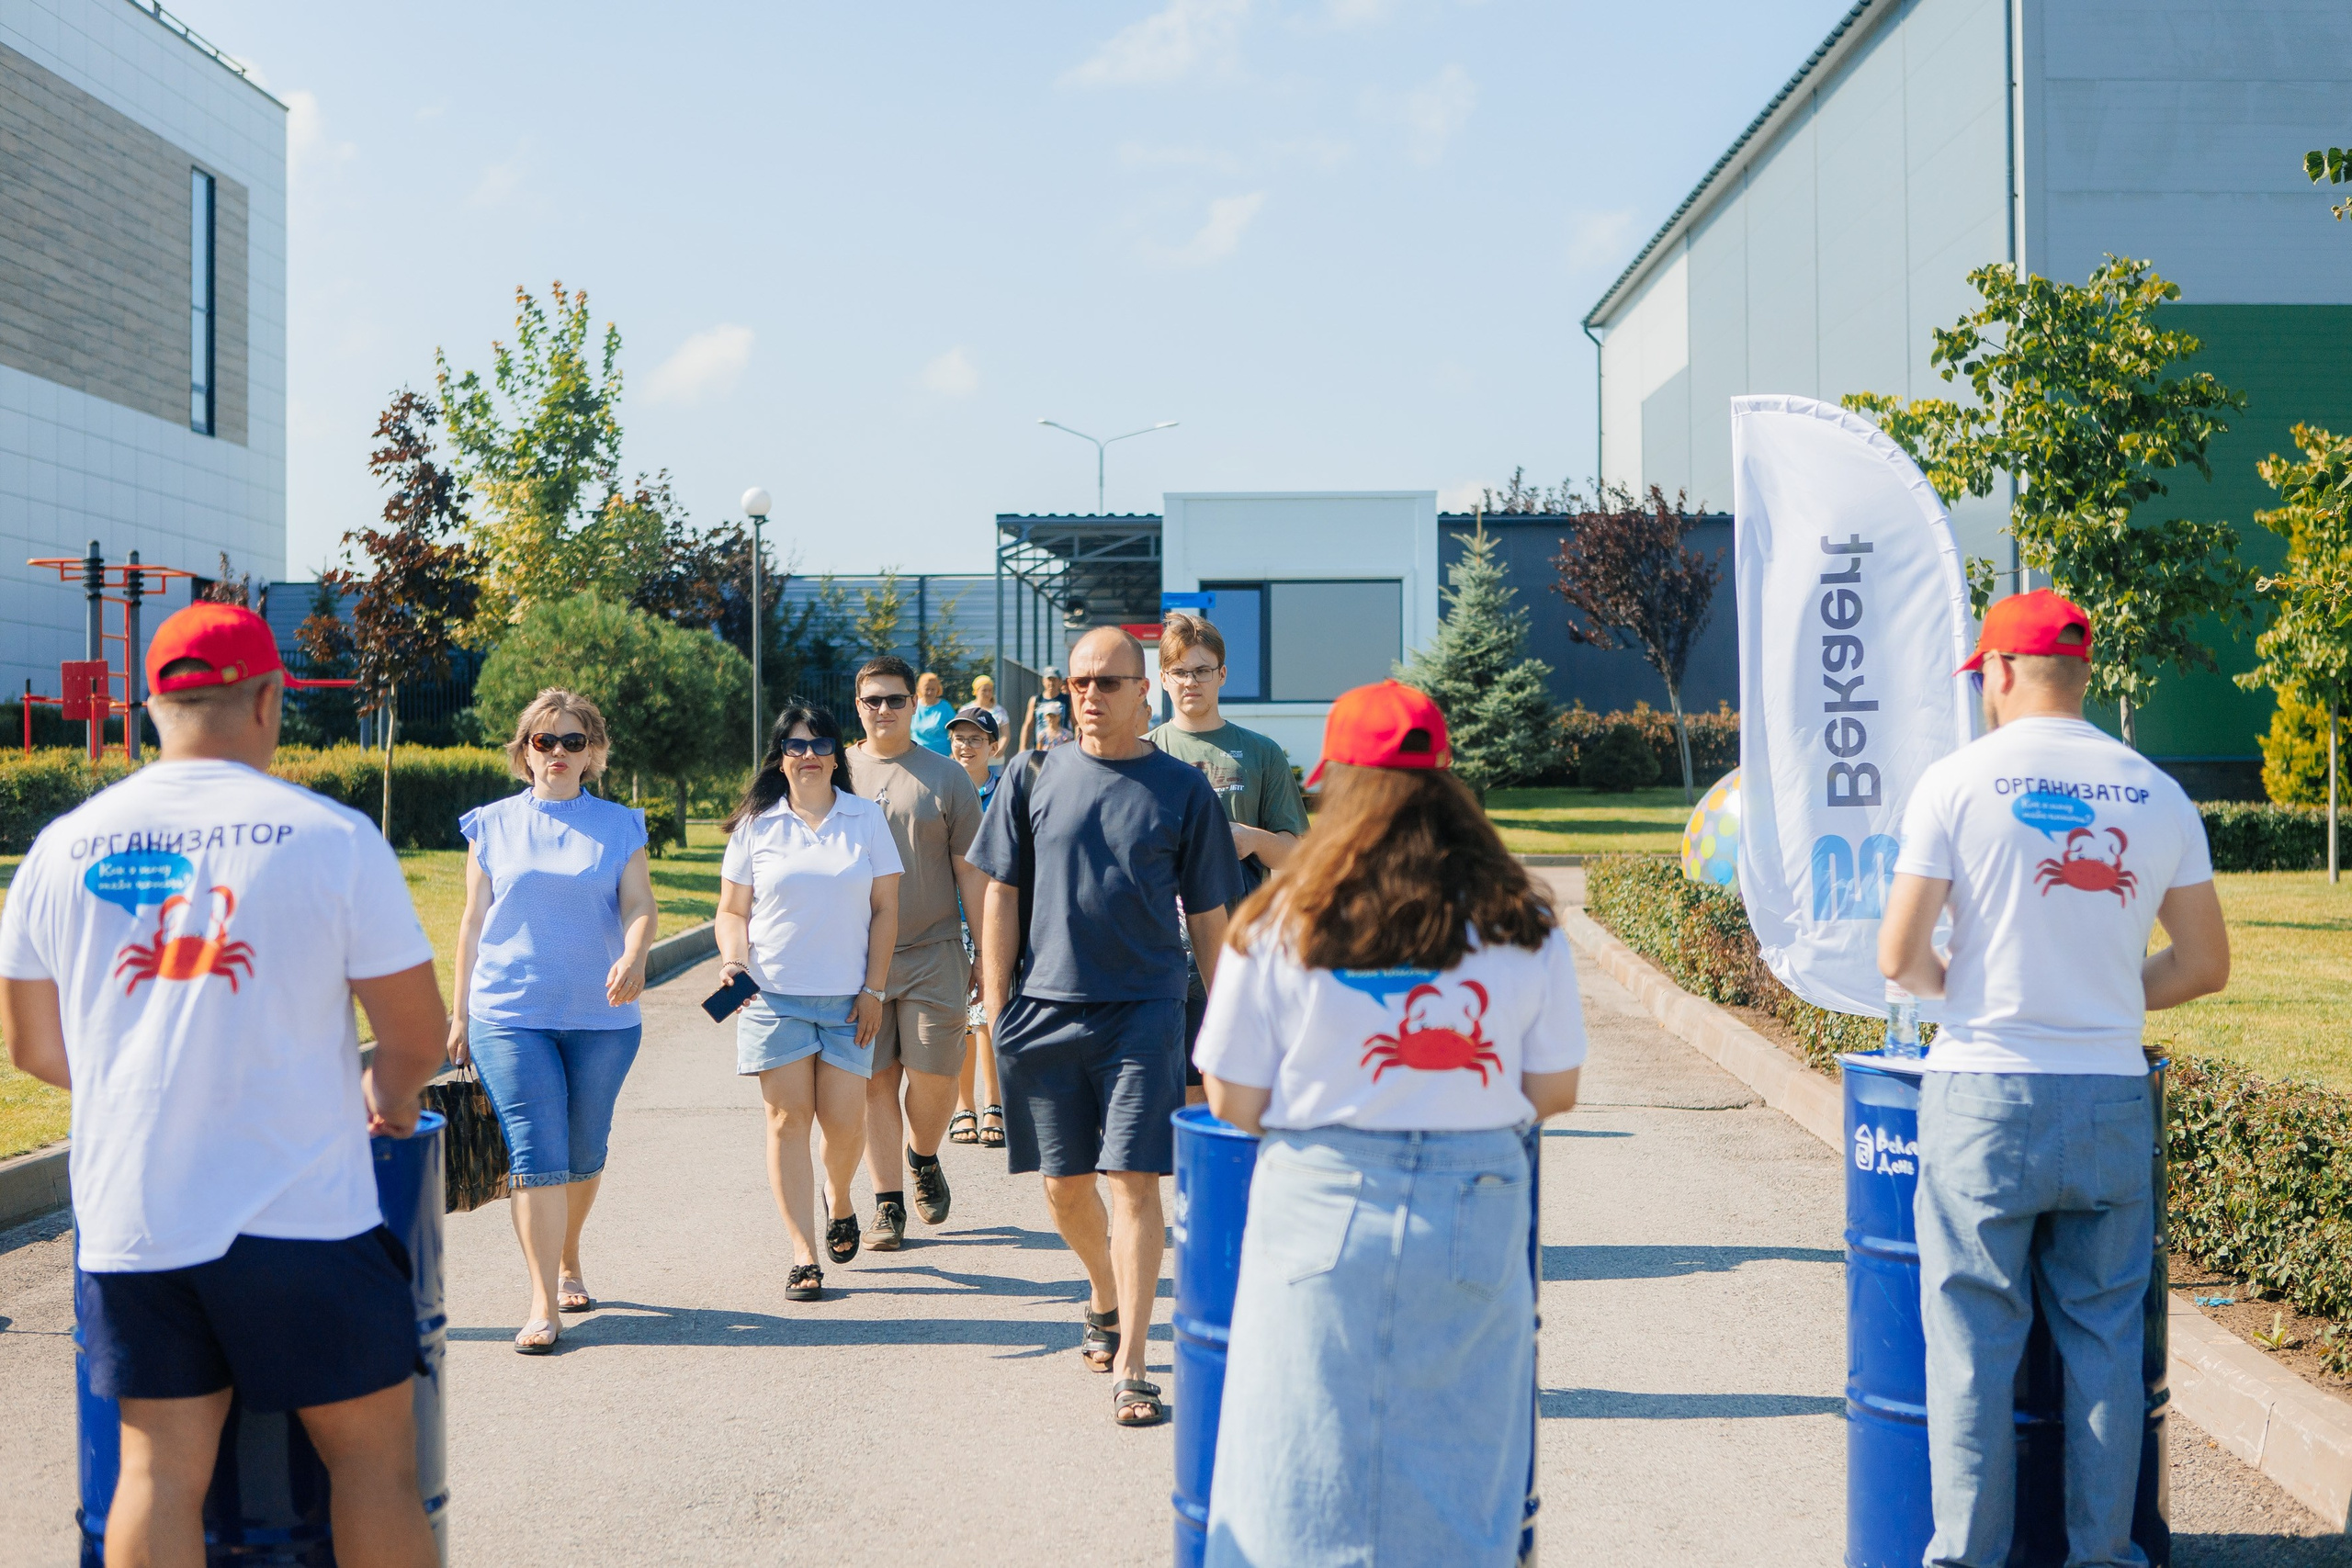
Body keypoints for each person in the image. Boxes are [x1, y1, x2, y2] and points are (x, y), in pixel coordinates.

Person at [0, 602, 445, 1568]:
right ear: (269, 700)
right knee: (373, 1466)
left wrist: (141, 1082)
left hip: (137, 1214)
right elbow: (417, 1034)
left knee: (157, 1471)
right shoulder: (331, 837)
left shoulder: (61, 848)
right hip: (305, 1212)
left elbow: (32, 1047)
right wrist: (391, 1097)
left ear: (150, 708)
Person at [1197, 678, 1586, 1566]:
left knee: (1297, 1450)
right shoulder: (1522, 918)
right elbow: (1555, 1086)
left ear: (1336, 785)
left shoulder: (1281, 918)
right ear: (1444, 783)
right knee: (1463, 1454)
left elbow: (1231, 1098)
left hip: (1319, 1198)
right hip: (1478, 1200)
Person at [1878, 590, 2230, 1568]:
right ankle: (2103, 1557)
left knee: (1969, 1345)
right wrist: (2106, 997)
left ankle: (1967, 1558)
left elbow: (1898, 955)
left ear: (1997, 671)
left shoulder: (1954, 784)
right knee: (2106, 1339)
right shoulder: (2156, 793)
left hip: (1981, 1096)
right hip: (2109, 1094)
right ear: (2082, 674)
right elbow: (2205, 963)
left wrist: (1967, 992)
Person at [970, 626, 1243, 1427]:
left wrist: (1226, 1025)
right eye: (1079, 682)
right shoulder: (1030, 773)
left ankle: (1133, 1362)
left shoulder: (1182, 789)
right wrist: (996, 1005)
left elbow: (1212, 919)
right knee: (1064, 1187)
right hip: (1045, 1008)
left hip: (1145, 1011)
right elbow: (1000, 893)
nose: (1089, 694)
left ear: (1141, 693)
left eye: (1108, 682)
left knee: (1132, 1180)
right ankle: (1103, 1288)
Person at [448, 689, 659, 1353]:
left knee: (583, 1151)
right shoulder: (491, 825)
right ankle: (543, 1300)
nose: (559, 752)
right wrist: (459, 1012)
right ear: (525, 751)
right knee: (537, 1153)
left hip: (603, 1018)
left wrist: (634, 954)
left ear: (593, 752)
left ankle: (569, 1254)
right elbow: (473, 923)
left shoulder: (620, 826)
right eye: (545, 741)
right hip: (509, 1014)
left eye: (574, 741)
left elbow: (640, 904)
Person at [716, 705, 902, 1303]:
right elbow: (732, 910)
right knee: (787, 1120)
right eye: (795, 746)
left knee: (845, 1124)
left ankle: (839, 1197)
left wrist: (874, 990)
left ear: (835, 755)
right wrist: (733, 960)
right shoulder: (756, 825)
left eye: (820, 744)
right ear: (780, 758)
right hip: (774, 998)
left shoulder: (865, 818)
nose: (809, 755)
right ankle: (803, 1254)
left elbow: (885, 910)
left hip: (850, 1001)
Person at [843, 657, 989, 1251]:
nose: (884, 709)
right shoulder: (835, 771)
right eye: (873, 700)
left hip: (934, 949)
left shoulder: (946, 777)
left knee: (935, 1075)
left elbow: (971, 872)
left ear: (914, 704)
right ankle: (888, 1204)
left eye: (895, 699)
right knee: (875, 1081)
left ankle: (923, 1155)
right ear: (858, 705)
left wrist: (985, 952)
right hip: (857, 958)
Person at [1148, 612, 1312, 1103]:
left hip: (1243, 945)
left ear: (1222, 674)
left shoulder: (1260, 753)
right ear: (1163, 678)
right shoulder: (1144, 753)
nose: (1191, 682)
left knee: (1230, 1081)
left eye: (1202, 670)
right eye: (1180, 671)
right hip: (1160, 948)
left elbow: (1300, 857)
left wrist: (1251, 838)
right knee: (1171, 1083)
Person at [944, 705, 1006, 1148]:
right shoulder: (942, 786)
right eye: (960, 739)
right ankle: (962, 1105)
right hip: (948, 917)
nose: (966, 747)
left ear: (993, 747)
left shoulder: (1005, 791)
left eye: (976, 740)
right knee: (960, 1017)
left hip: (993, 915)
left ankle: (994, 1104)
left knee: (989, 1014)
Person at [1020, 664, 1070, 750]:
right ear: (1043, 681)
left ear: (1059, 682)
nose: (1051, 683)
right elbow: (1028, 725)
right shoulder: (1036, 700)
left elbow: (1075, 723)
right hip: (1041, 747)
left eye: (1054, 680)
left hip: (1062, 747)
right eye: (1049, 680)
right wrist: (1022, 748)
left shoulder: (1067, 700)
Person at [910, 671, 956, 757]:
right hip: (917, 754)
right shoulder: (913, 706)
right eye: (927, 689)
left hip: (942, 755)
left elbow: (955, 730)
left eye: (933, 689)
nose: (930, 692)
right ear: (919, 688)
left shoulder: (945, 707)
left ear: (938, 689)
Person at [969, 674, 1012, 759]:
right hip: (972, 756)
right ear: (976, 691)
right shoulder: (967, 709)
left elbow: (1006, 734)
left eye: (990, 690)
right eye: (984, 690)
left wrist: (1000, 749)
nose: (987, 693)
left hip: (994, 757)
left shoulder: (1000, 711)